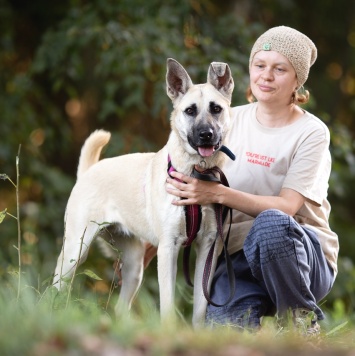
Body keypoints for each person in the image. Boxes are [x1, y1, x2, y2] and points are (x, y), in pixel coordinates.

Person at [165, 26, 339, 334]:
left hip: (300, 256)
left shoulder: (312, 132)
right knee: (224, 334)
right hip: (238, 260)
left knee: (270, 223)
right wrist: (153, 237)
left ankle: (300, 320)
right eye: (260, 65)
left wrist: (215, 194)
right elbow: (180, 190)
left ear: (297, 79)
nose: (266, 76)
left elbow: (287, 207)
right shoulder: (224, 118)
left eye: (279, 68)